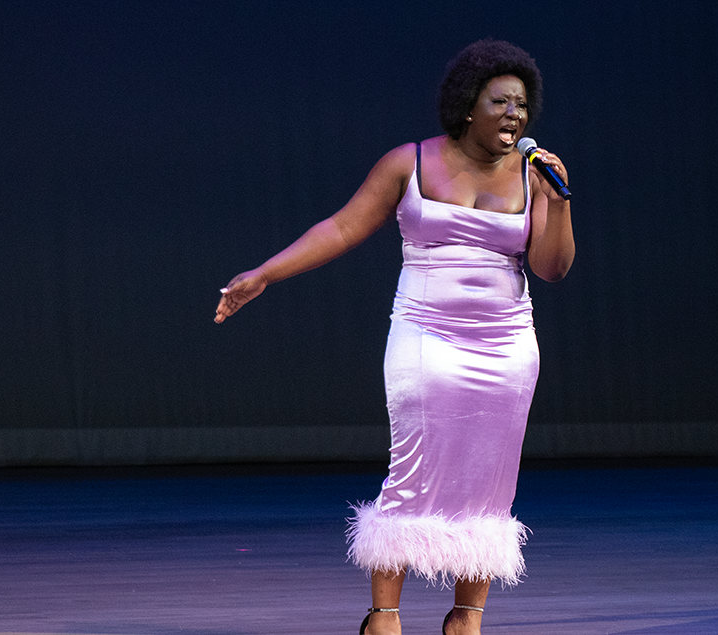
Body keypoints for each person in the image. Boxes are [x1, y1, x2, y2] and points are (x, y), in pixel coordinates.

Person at [213, 40, 574, 635]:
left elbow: (553, 268)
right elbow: (341, 227)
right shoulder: (408, 162)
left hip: (507, 344)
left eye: (521, 103)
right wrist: (265, 274)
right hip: (426, 337)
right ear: (466, 106)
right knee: (413, 470)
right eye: (500, 101)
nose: (515, 113)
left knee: (489, 479)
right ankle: (383, 617)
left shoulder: (537, 177)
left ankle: (467, 617)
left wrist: (558, 204)